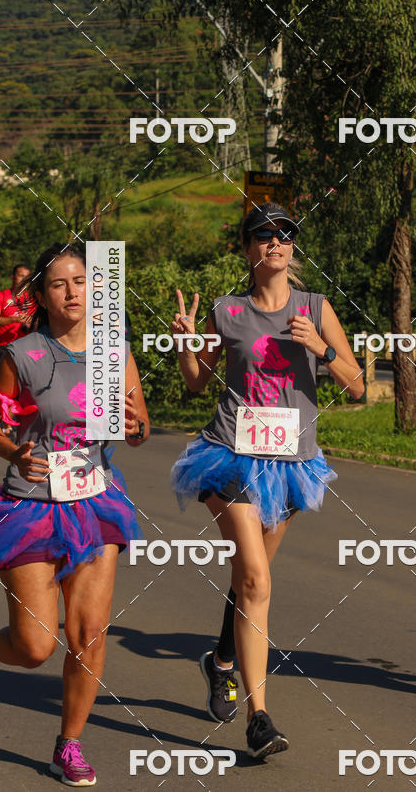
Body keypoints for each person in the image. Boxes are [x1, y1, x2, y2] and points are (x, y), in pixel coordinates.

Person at [170, 202, 364, 758]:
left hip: (291, 465)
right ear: (248, 249)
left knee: (250, 578)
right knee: (254, 578)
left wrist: (321, 349)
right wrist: (188, 343)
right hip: (228, 456)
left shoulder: (316, 307)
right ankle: (259, 719)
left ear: (292, 248)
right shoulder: (227, 311)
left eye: (284, 235)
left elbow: (356, 387)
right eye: (263, 236)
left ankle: (221, 660)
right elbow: (194, 384)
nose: (274, 243)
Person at [0, 242, 150, 785]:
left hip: (95, 502)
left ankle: (69, 745)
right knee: (34, 647)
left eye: (81, 280)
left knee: (88, 634)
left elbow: (138, 428)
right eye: (58, 284)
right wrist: (13, 451)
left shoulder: (113, 351)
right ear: (40, 294)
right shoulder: (22, 355)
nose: (72, 292)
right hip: (30, 505)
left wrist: (135, 429)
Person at [0, 263, 35, 359]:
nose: (24, 279)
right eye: (21, 276)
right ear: (12, 277)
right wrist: (15, 319)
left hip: (28, 345)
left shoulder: (33, 298)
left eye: (27, 277)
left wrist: (33, 323)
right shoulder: (0, 296)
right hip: (5, 346)